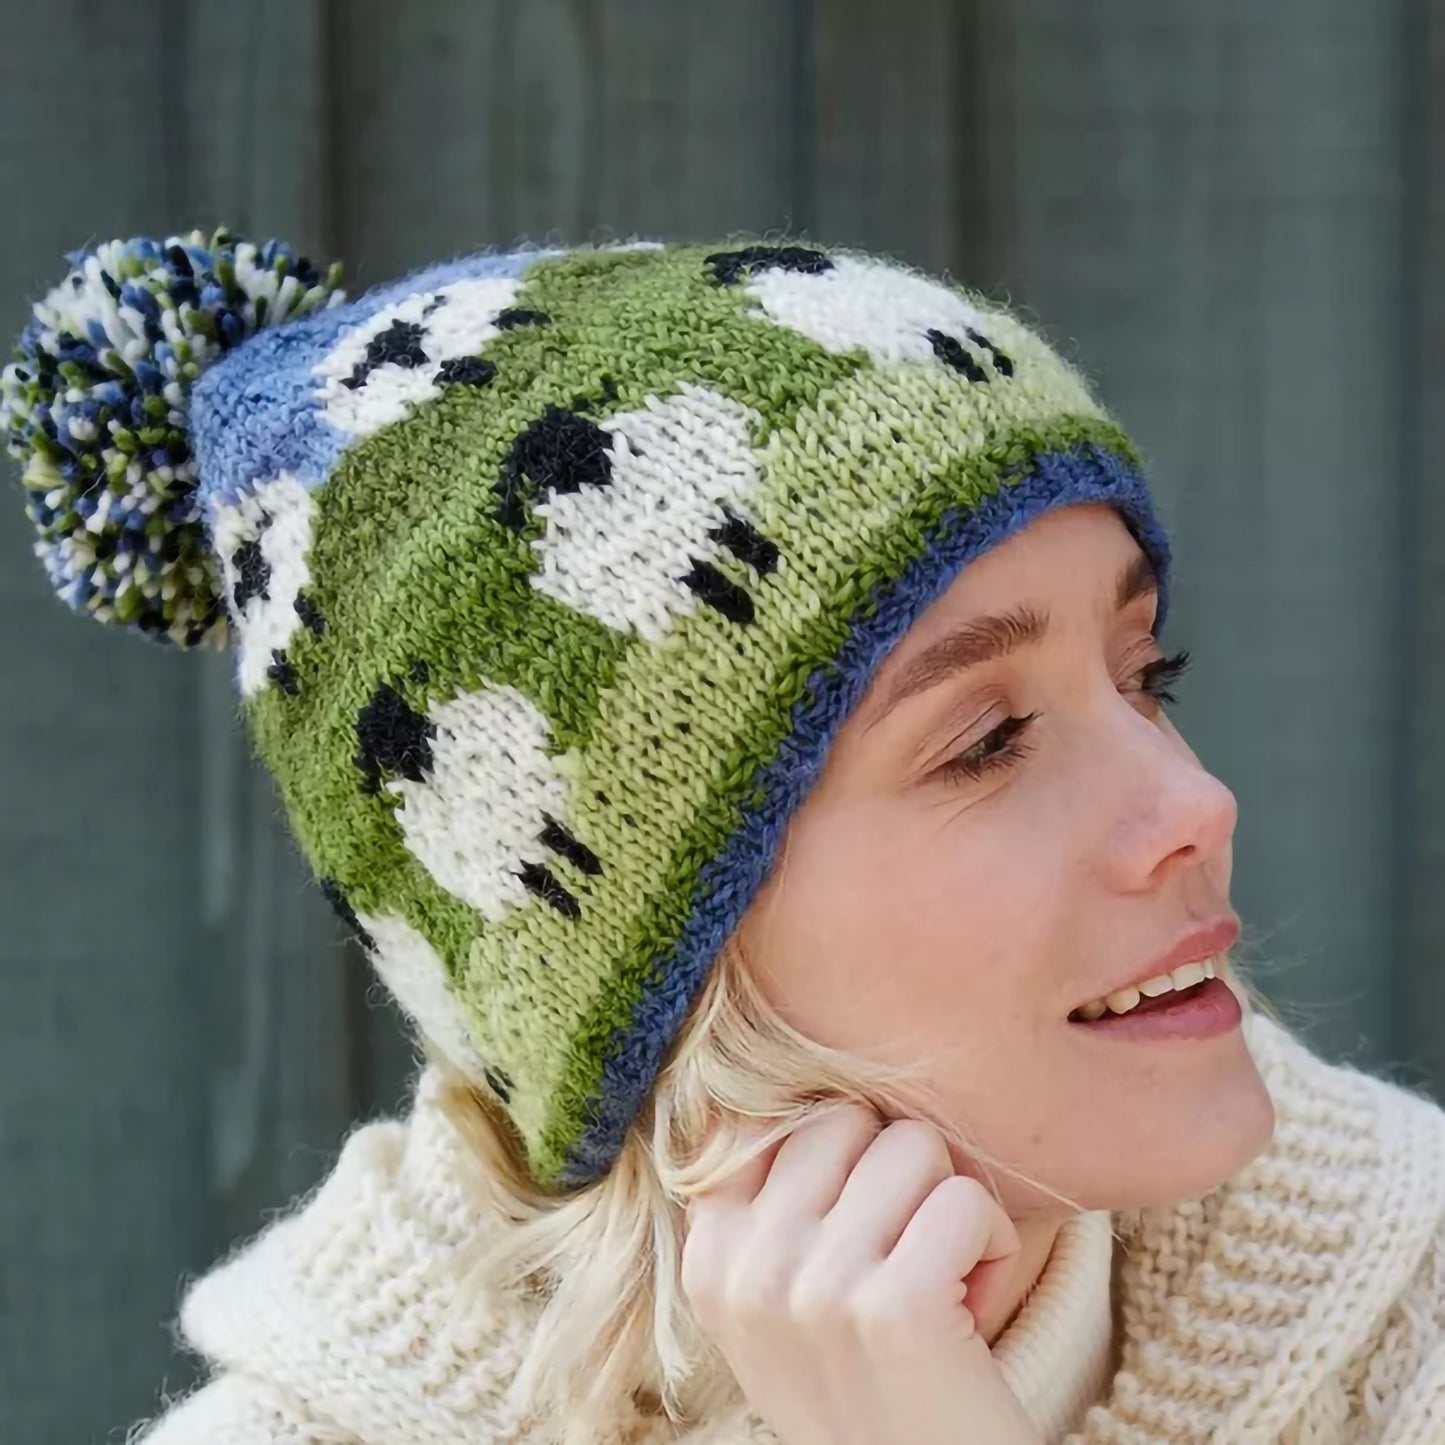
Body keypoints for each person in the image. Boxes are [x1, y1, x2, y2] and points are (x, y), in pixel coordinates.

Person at [5, 231, 1444, 1445]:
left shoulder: (1403, 1309)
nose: (1195, 803)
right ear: (654, 965)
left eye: (1144, 677)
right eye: (984, 740)